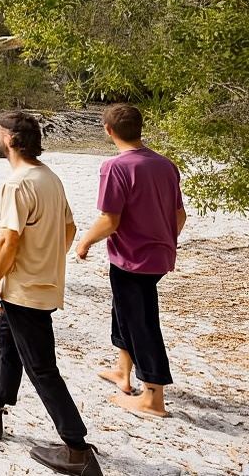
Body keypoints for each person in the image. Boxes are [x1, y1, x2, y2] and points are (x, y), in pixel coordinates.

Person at [0, 111, 102, 476]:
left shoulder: (18, 184)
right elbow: (69, 228)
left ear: (11, 140)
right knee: (7, 345)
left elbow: (9, 240)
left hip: (24, 290)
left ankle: (77, 449)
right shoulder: (48, 177)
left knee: (41, 367)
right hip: (39, 283)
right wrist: (46, 262)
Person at [75, 103, 186, 418]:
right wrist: (162, 239)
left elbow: (110, 220)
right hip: (159, 254)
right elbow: (179, 216)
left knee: (141, 322)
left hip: (132, 259)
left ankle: (153, 396)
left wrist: (84, 242)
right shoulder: (166, 165)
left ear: (108, 130)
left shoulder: (115, 167)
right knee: (124, 310)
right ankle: (123, 372)